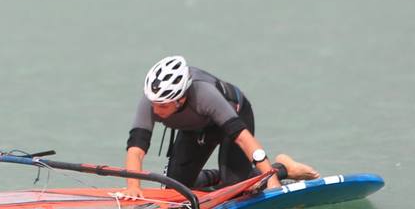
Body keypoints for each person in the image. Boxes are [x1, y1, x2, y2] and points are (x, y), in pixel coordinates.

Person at [124, 55, 318, 195]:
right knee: (174, 190)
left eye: (163, 105)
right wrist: (134, 187)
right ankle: (220, 178)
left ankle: (282, 168)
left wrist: (273, 181)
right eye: (153, 103)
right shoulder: (150, 101)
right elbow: (136, 150)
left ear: (181, 99)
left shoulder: (205, 95)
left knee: (237, 188)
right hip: (195, 129)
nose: (156, 110)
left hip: (234, 117)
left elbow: (243, 138)